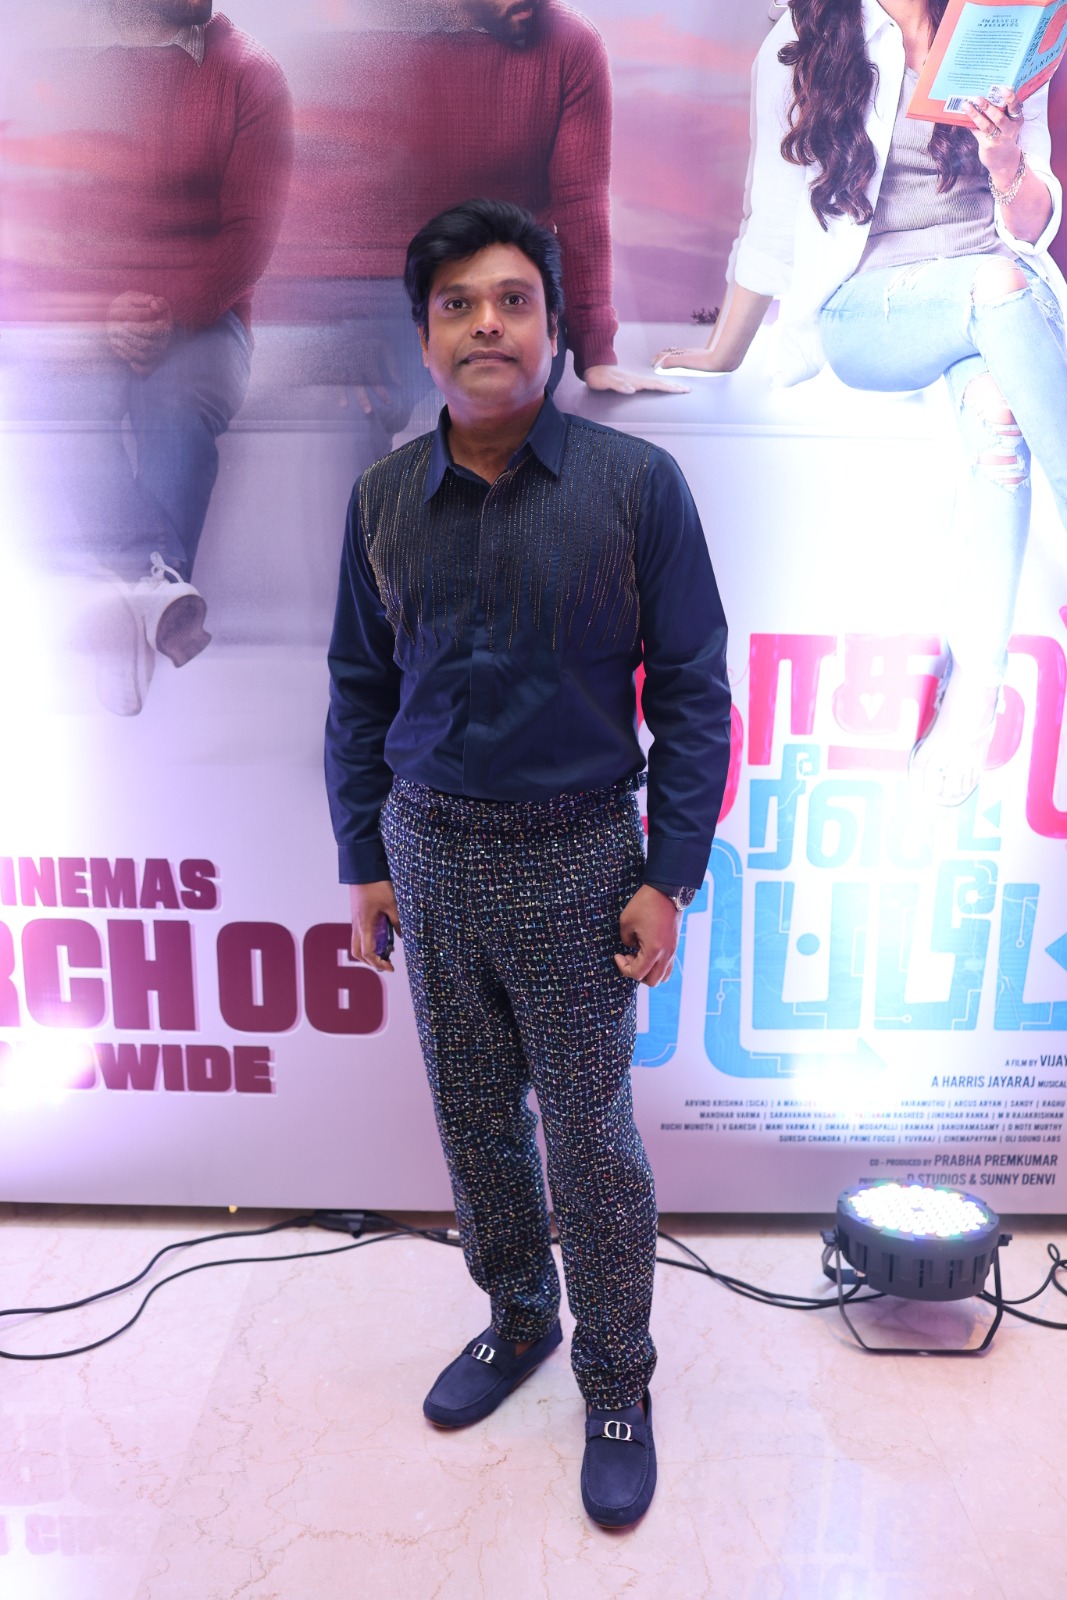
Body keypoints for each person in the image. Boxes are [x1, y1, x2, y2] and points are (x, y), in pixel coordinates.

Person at [324, 199, 731, 1526]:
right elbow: (356, 693)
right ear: (424, 338)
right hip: (431, 854)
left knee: (591, 1142)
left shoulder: (633, 488)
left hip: (578, 860)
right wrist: (362, 857)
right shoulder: (383, 500)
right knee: (473, 1119)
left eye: (512, 300)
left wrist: (666, 874)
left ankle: (614, 1375)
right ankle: (517, 1316)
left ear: (552, 330)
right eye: (456, 304)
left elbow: (693, 691)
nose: (485, 324)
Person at [657, 0, 1067, 805]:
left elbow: (1031, 225)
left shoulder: (999, 26)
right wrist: (723, 351)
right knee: (999, 286)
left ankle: (974, 695)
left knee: (996, 411)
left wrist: (1005, 163)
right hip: (870, 313)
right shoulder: (803, 36)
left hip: (994, 297)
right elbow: (772, 222)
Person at [1, 0, 293, 714]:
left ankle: (118, 615)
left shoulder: (251, 76)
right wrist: (100, 309)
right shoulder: (59, 68)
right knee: (52, 398)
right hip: (85, 308)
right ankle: (153, 591)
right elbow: (37, 216)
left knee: (174, 404)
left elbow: (250, 236)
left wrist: (169, 312)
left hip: (208, 320)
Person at [269, 0, 685, 481]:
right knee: (356, 408)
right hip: (384, 291)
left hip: (509, 284)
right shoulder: (371, 39)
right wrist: (330, 337)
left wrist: (596, 352)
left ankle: (507, 528)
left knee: (505, 399)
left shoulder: (570, 44)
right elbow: (309, 200)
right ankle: (370, 533)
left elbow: (581, 204)